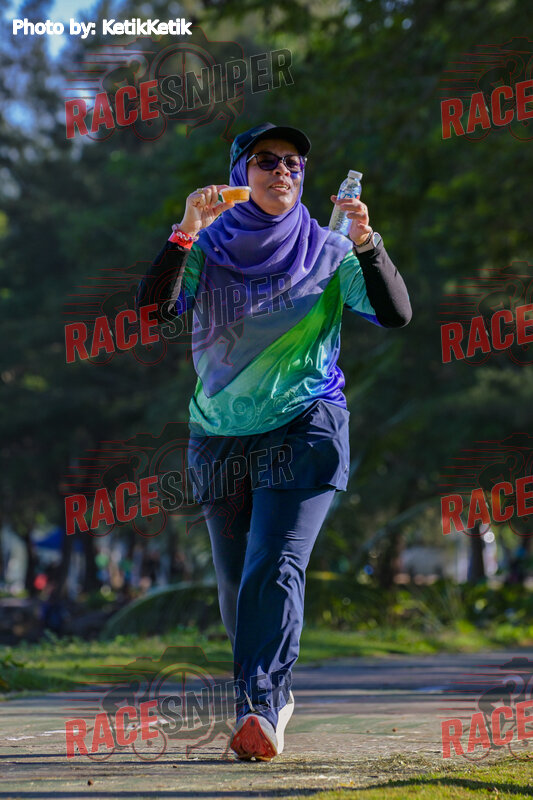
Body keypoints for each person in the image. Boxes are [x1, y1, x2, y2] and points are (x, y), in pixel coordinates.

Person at [136, 122, 412, 761]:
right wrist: (185, 231)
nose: (282, 171)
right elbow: (154, 311)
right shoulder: (207, 248)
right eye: (267, 160)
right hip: (219, 433)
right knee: (238, 582)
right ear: (240, 173)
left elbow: (395, 312)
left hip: (307, 424)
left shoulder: (330, 249)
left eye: (293, 163)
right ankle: (267, 696)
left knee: (275, 563)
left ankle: (260, 705)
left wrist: (368, 242)